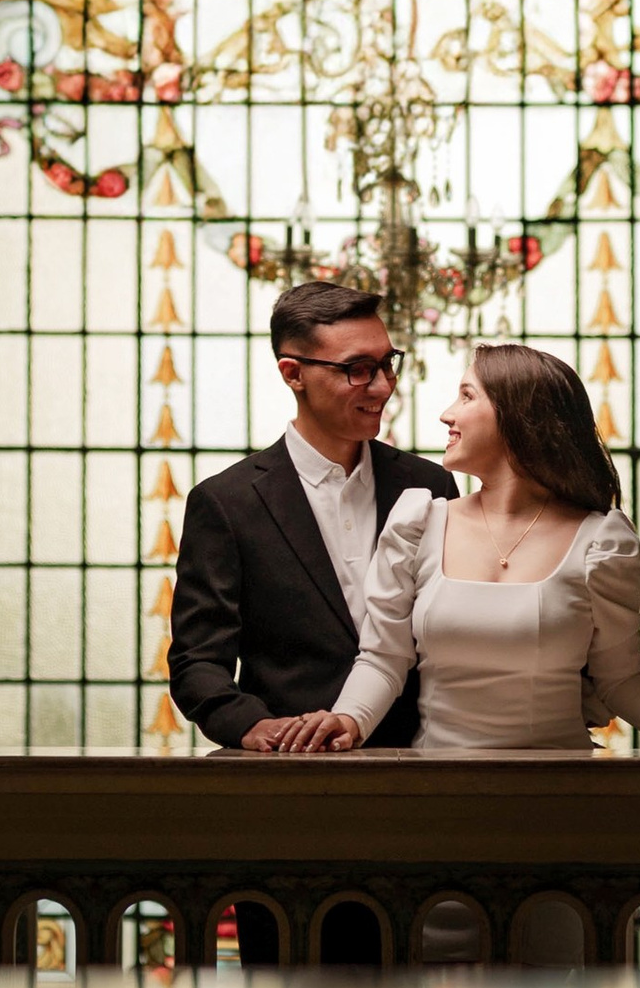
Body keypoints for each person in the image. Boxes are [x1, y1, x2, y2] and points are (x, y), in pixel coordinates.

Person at [277, 340, 640, 759]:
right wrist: (347, 720)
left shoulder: (601, 542)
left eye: (467, 396)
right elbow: (384, 660)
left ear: (518, 416)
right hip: (437, 787)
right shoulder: (419, 524)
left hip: (561, 790)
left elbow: (620, 678)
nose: (446, 414)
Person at [167, 282, 458, 753]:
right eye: (358, 369)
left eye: (387, 363)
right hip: (290, 763)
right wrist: (254, 727)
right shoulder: (226, 502)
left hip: (422, 757)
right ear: (293, 373)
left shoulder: (430, 485)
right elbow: (196, 662)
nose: (383, 386)